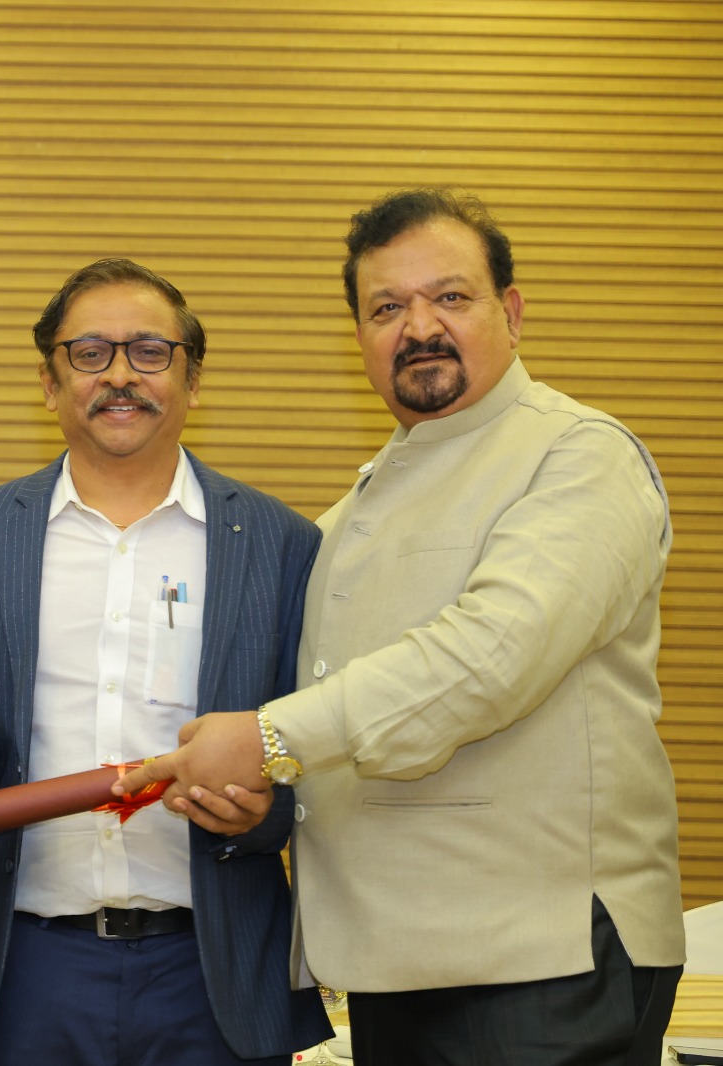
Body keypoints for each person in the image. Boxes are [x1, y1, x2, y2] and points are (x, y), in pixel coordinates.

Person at [116, 189, 685, 1064]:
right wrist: (258, 787)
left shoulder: (577, 454)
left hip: (541, 961)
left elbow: (489, 659)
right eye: (387, 308)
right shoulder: (351, 514)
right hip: (395, 966)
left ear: (512, 312)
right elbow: (340, 724)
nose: (419, 327)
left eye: (450, 296)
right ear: (360, 339)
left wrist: (266, 740)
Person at [0, 259, 331, 1065]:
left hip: (212, 970)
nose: (119, 375)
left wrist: (264, 814)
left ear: (192, 379)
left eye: (149, 351)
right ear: (48, 383)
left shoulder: (281, 545)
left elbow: (310, 742)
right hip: (25, 969)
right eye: (90, 353)